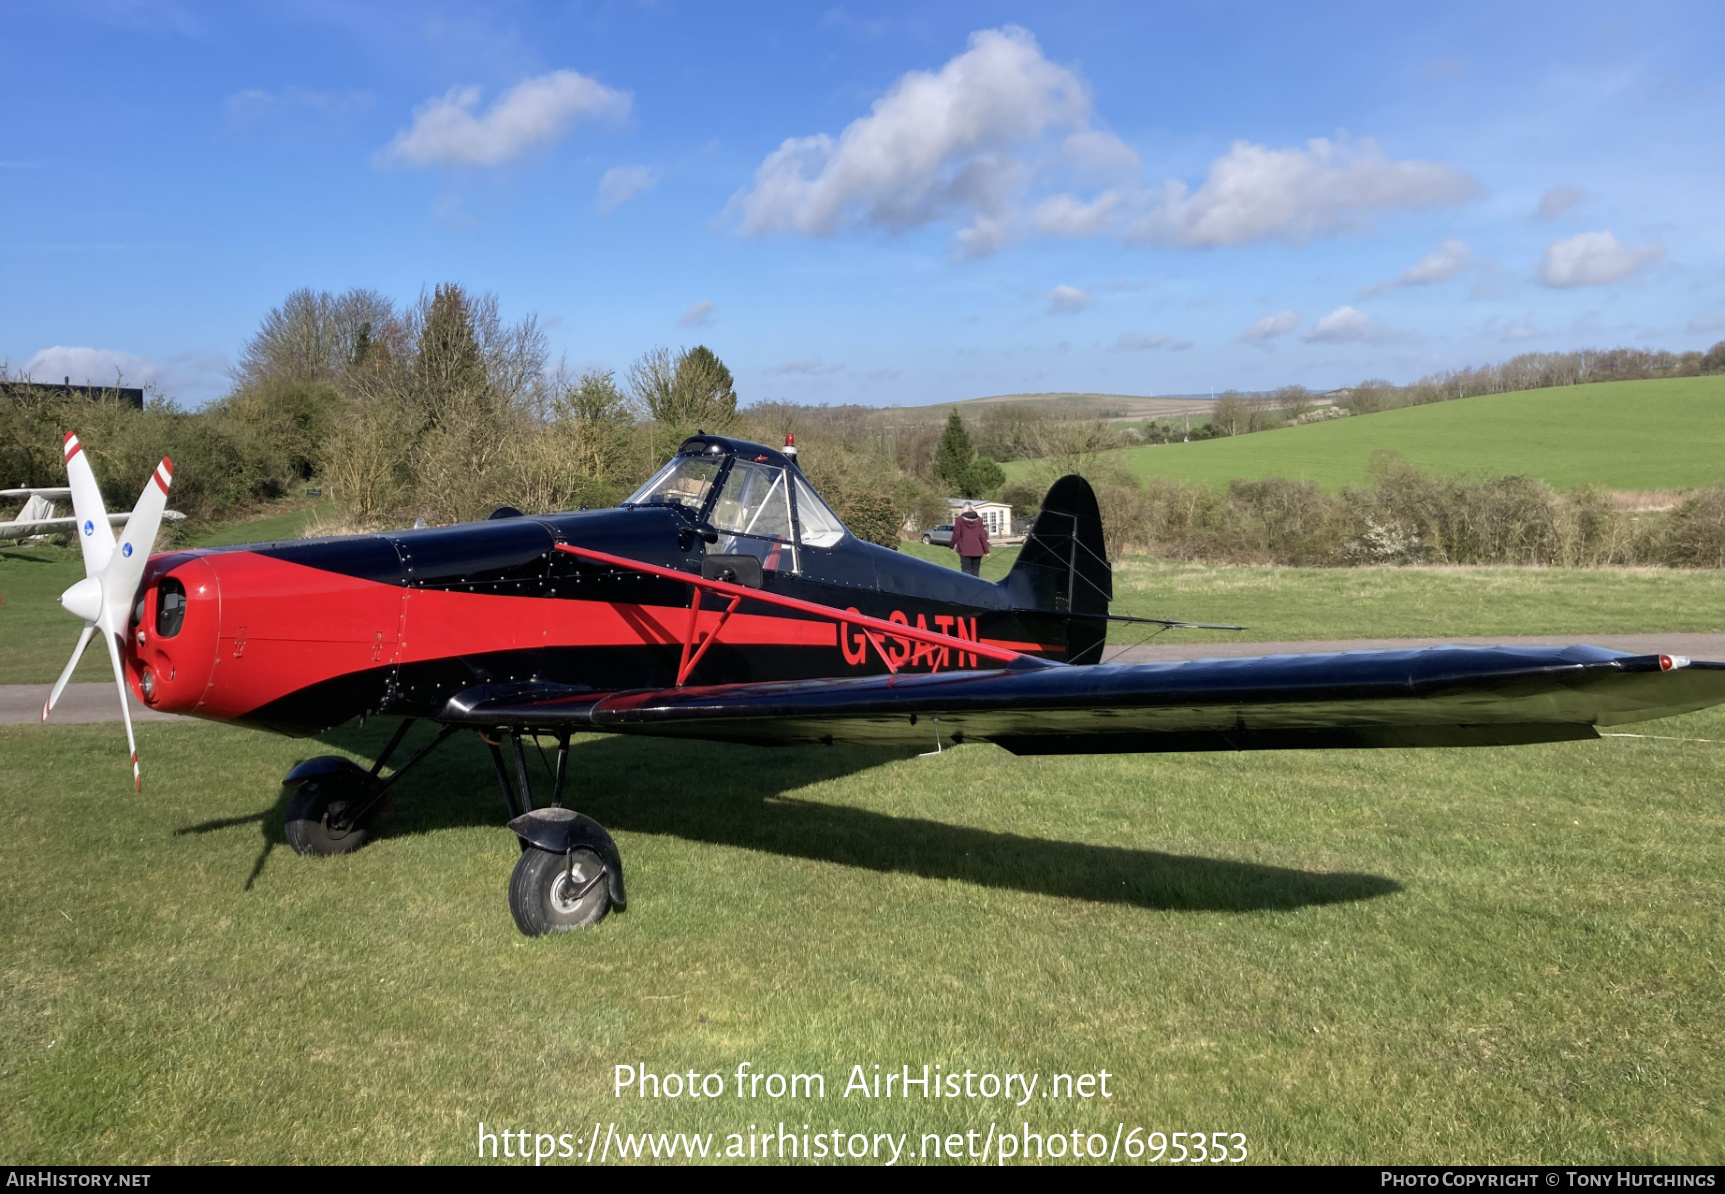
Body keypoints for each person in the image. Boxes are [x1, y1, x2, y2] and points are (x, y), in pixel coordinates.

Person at [949, 502, 990, 577]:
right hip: (977, 551)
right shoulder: (979, 520)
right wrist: (986, 551)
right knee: (975, 573)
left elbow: (956, 535)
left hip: (965, 551)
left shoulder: (959, 520)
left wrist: (951, 546)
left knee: (966, 572)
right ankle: (975, 588)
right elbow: (982, 536)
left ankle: (967, 588)